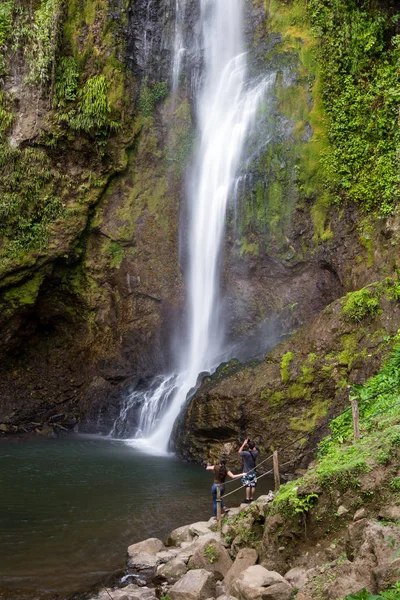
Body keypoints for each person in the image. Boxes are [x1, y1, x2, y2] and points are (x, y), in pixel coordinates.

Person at [238, 438, 259, 503]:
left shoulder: (246, 453)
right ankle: (252, 498)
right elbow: (255, 448)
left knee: (248, 486)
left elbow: (239, 452)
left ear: (248, 446)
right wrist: (251, 444)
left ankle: (247, 499)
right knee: (253, 485)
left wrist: (244, 444)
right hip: (253, 472)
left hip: (246, 472)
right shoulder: (256, 452)